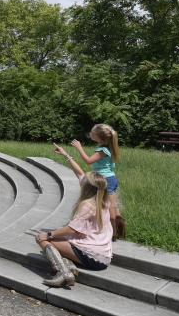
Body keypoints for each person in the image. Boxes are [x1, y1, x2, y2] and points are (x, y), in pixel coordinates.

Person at [34, 144, 113, 288]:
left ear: (87, 187)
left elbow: (73, 230)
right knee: (60, 238)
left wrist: (49, 234)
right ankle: (69, 266)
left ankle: (63, 272)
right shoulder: (103, 199)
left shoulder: (87, 205)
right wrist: (66, 155)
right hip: (103, 256)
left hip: (92, 257)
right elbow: (80, 173)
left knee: (42, 239)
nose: (82, 179)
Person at [70, 123, 122, 222]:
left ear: (99, 137)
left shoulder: (102, 150)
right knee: (114, 206)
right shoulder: (108, 148)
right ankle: (117, 229)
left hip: (105, 179)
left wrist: (79, 148)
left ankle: (114, 232)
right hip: (111, 178)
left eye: (92, 133)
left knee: (110, 207)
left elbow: (88, 161)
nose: (90, 134)